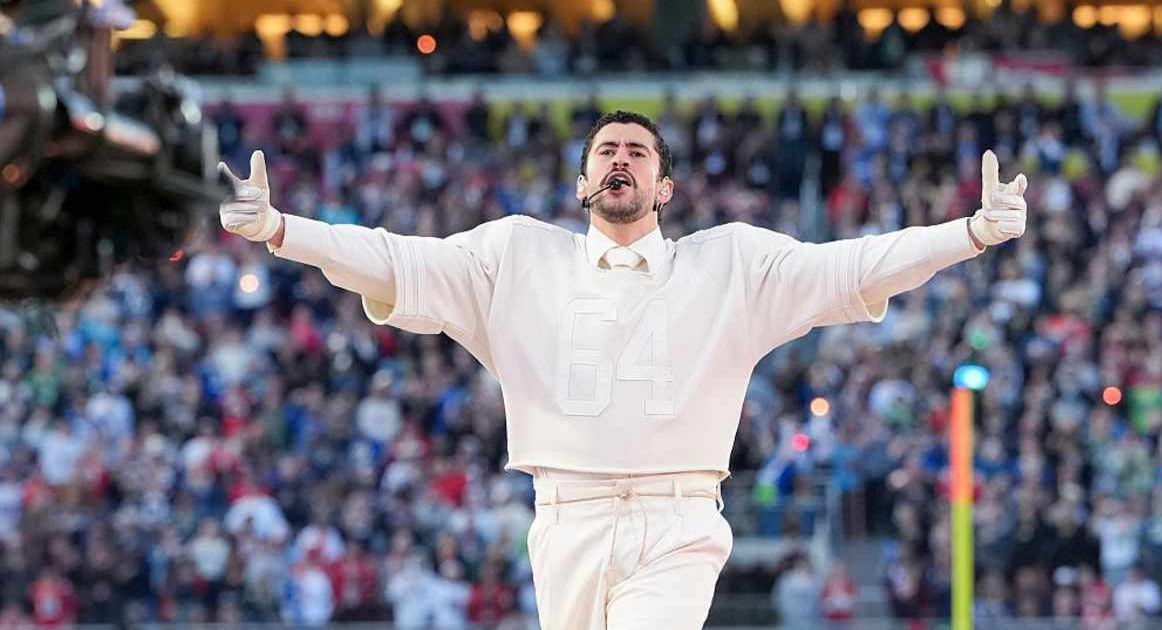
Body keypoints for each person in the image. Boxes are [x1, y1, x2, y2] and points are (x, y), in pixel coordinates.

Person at [218, 109, 1028, 629]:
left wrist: (973, 233)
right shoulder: (513, 255)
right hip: (563, 516)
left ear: (664, 185)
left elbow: (856, 266)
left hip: (677, 520)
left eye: (638, 152)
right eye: (606, 149)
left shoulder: (732, 265)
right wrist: (284, 229)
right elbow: (394, 260)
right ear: (581, 182)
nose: (621, 159)